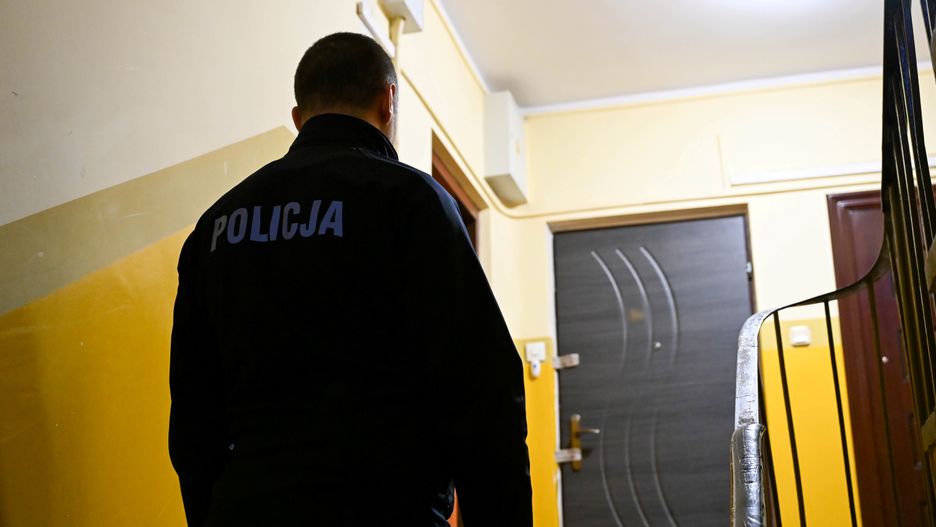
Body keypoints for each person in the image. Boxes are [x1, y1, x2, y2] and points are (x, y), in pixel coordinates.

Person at [168, 32, 532, 526]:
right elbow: (483, 391)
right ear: (388, 101)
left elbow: (194, 418)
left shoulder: (215, 226)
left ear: (299, 118)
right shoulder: (411, 201)